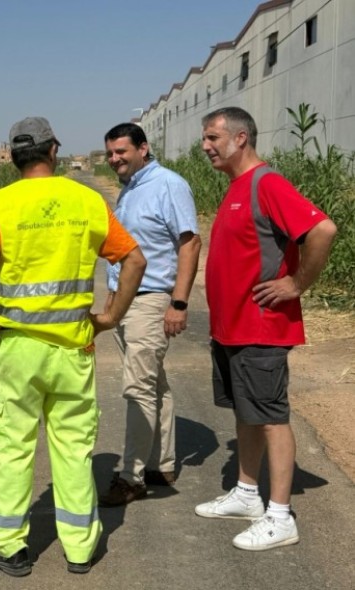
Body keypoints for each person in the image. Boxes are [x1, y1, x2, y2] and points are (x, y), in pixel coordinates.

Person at [0, 116, 146, 576]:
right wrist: (109, 317)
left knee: (11, 447)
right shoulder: (87, 201)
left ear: (12, 157)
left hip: (18, 351)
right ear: (53, 151)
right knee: (72, 450)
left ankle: (9, 548)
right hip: (73, 351)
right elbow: (134, 260)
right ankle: (81, 549)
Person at [196, 107, 337, 551]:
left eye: (213, 137)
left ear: (241, 138)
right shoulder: (237, 187)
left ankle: (280, 516)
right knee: (247, 412)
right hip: (232, 329)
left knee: (272, 417)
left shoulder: (266, 183)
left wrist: (296, 284)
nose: (206, 146)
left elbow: (323, 230)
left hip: (260, 328)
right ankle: (246, 493)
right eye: (205, 138)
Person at [98, 123, 201, 506]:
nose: (114, 159)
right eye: (110, 153)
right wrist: (113, 300)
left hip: (153, 298)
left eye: (121, 152)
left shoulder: (168, 184)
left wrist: (178, 302)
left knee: (137, 387)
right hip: (129, 301)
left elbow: (190, 243)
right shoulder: (131, 190)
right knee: (153, 383)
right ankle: (162, 462)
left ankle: (131, 476)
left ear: (143, 148)